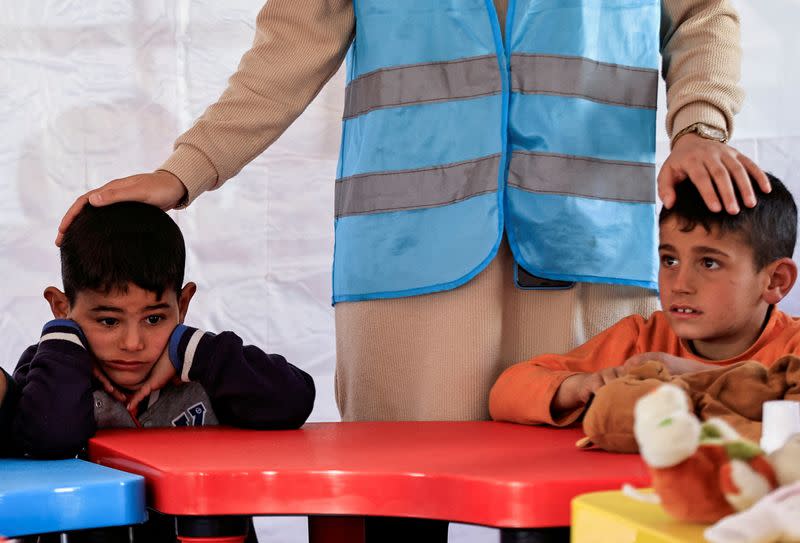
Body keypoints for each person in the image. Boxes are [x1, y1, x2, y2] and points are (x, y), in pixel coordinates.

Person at [54, 2, 768, 539]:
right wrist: (184, 173)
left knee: (593, 506)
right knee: (395, 512)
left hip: (590, 253)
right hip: (405, 258)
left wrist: (699, 127)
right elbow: (290, 47)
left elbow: (703, 12)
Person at [9, 202, 315, 541]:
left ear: (182, 305)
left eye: (154, 319)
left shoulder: (209, 372)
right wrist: (65, 342)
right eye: (108, 321)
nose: (133, 342)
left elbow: (294, 399)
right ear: (62, 307)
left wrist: (197, 353)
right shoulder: (51, 369)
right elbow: (48, 437)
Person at [489, 173, 799, 426]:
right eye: (669, 261)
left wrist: (690, 375)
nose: (680, 284)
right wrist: (580, 386)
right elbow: (506, 392)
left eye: (709, 263)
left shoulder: (792, 347)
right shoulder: (642, 340)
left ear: (775, 280)